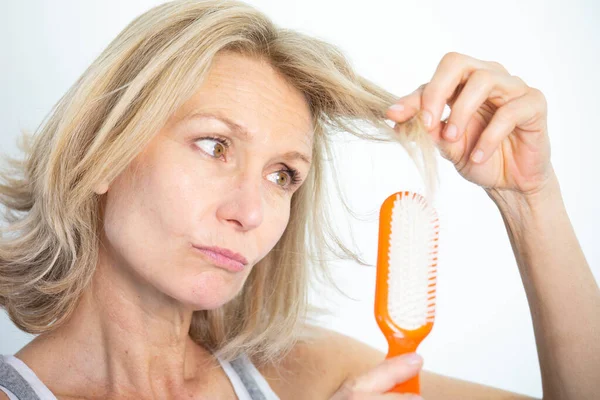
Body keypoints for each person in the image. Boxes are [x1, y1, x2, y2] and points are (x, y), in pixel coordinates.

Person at [0, 1, 598, 399]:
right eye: (215, 146)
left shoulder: (300, 373)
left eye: (283, 174)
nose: (251, 212)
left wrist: (531, 200)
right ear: (104, 151)